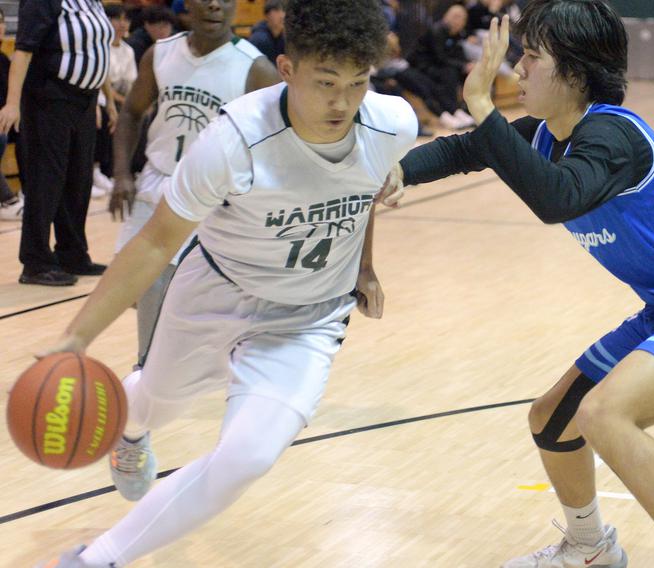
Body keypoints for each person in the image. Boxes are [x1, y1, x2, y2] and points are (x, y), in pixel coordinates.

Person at [381, 2, 654, 567]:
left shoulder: (614, 136)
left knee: (604, 414)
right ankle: (590, 549)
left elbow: (556, 198)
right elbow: (469, 149)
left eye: (532, 57)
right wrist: (400, 170)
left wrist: (478, 103)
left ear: (574, 70)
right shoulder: (548, 134)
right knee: (553, 419)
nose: (518, 69)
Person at [38, 0, 416, 564]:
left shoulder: (394, 123)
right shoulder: (234, 137)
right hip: (216, 289)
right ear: (286, 70)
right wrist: (78, 336)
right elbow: (155, 242)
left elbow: (362, 191)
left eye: (358, 83)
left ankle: (96, 558)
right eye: (326, 82)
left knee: (248, 457)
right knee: (154, 403)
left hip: (307, 317)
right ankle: (132, 431)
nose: (342, 101)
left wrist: (363, 265)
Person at [108, 0, 279, 364]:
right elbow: (132, 113)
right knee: (133, 285)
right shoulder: (160, 54)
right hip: (155, 181)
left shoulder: (256, 69)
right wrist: (122, 173)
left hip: (210, 194)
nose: (215, 4)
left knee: (163, 281)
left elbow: (274, 142)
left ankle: (147, 369)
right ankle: (170, 358)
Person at [0, 0, 117, 286]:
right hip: (49, 97)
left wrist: (109, 101)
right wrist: (12, 103)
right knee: (46, 181)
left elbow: (98, 49)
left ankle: (73, 254)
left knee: (79, 180)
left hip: (85, 101)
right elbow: (23, 50)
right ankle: (35, 263)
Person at [92, 3, 139, 199]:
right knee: (104, 113)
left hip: (119, 99)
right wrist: (120, 103)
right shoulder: (98, 47)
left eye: (125, 19)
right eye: (117, 19)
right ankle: (95, 171)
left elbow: (132, 85)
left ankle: (129, 168)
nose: (122, 23)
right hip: (100, 98)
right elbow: (104, 85)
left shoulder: (128, 50)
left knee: (141, 113)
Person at [407, 3, 476, 130]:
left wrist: (467, 64)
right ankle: (453, 110)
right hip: (424, 66)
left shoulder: (456, 34)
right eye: (457, 17)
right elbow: (440, 57)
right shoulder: (437, 30)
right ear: (448, 16)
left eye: (463, 19)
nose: (460, 21)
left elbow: (458, 54)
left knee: (469, 72)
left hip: (440, 65)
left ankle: (465, 110)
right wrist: (462, 66)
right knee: (449, 74)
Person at [0, 7, 23, 222]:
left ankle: (28, 191)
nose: (0, 27)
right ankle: (6, 199)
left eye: (1, 21)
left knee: (29, 130)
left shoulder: (4, 60)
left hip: (5, 120)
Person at [247, 0, 285, 66]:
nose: (282, 15)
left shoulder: (284, 39)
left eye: (283, 11)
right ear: (267, 15)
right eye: (277, 11)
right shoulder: (258, 40)